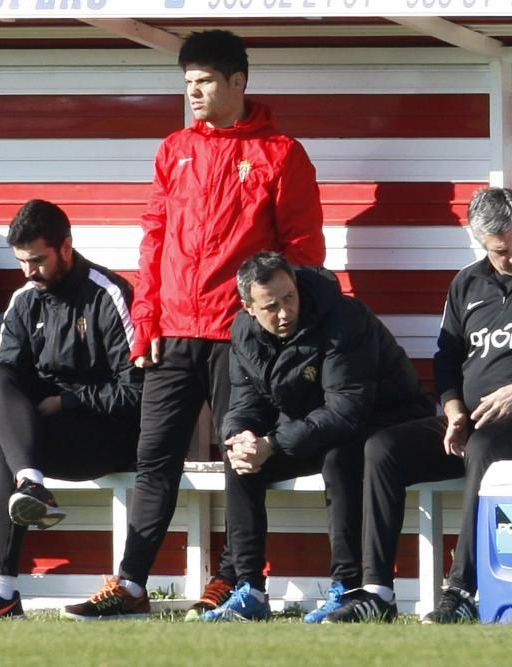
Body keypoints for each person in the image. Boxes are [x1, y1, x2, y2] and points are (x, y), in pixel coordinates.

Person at [63, 29, 326, 621]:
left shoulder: (282, 153)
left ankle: (234, 580)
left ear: (238, 82)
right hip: (173, 332)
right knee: (153, 456)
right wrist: (146, 317)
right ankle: (131, 584)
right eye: (188, 84)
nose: (195, 93)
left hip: (240, 337)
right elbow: (153, 240)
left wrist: (277, 331)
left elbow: (304, 253)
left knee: (239, 456)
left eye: (205, 81)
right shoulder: (173, 149)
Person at [324, 187, 512, 624]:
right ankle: (376, 591)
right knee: (382, 448)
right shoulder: (467, 282)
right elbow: (446, 359)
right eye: (501, 251)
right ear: (481, 246)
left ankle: (462, 590)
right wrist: (453, 411)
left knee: (484, 448)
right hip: (467, 419)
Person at [196, 253, 434, 622]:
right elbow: (244, 403)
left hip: (384, 421)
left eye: (289, 297)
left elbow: (346, 409)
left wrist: (273, 443)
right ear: (248, 307)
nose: (284, 312)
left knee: (339, 455)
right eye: (271, 306)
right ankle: (250, 589)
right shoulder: (242, 330)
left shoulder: (344, 318)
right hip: (309, 426)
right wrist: (239, 435)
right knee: (239, 458)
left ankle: (347, 586)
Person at [0, 199, 142, 619]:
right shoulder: (25, 299)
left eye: (38, 260)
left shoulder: (109, 294)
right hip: (40, 440)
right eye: (22, 261)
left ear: (66, 247)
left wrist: (66, 401)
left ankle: (1, 591)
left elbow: (136, 392)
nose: (28, 272)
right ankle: (30, 487)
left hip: (103, 435)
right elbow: (3, 386)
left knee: (7, 444)